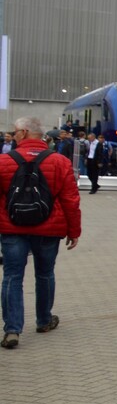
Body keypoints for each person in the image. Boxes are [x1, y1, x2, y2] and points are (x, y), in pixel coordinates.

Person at [0, 116, 82, 349]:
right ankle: (44, 320)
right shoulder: (59, 162)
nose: (13, 136)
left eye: (15, 133)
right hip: (49, 228)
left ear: (24, 133)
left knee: (12, 277)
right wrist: (74, 230)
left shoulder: (4, 161)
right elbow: (70, 200)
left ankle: (12, 330)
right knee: (44, 274)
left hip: (12, 228)